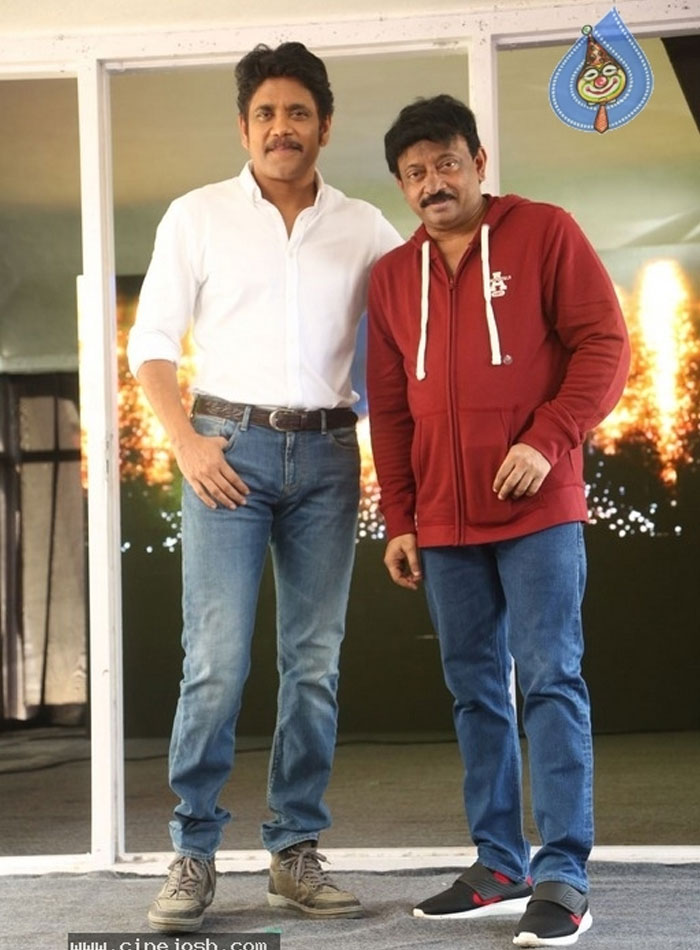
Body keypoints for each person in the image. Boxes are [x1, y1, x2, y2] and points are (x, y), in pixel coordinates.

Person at [127, 42, 401, 933]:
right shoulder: (197, 216)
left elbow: (420, 312)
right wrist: (186, 444)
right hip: (225, 453)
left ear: (325, 125)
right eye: (266, 114)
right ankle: (193, 852)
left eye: (298, 113)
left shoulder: (366, 227)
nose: (283, 128)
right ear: (244, 127)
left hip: (328, 455)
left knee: (313, 664)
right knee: (215, 662)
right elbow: (151, 345)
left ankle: (293, 851)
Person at [366, 95, 629, 948]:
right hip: (443, 522)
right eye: (414, 173)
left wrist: (548, 439)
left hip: (537, 508)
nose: (432, 183)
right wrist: (401, 515)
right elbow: (390, 410)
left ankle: (563, 874)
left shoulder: (545, 232)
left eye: (446, 163)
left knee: (550, 678)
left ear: (478, 162)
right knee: (475, 692)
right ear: (401, 185)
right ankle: (499, 864)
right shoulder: (391, 278)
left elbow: (605, 346)